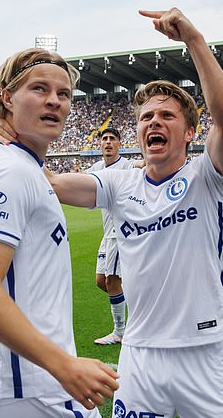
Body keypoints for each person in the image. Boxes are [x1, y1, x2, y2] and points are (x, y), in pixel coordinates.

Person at [0, 7, 223, 417]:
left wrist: (194, 41)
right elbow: (50, 183)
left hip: (205, 352)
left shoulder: (207, 176)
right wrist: (11, 134)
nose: (153, 122)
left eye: (166, 115)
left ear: (190, 132)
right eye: (146, 117)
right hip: (140, 355)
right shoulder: (120, 183)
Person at [0, 47, 119, 418]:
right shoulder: (10, 170)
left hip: (15, 385)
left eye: (64, 94)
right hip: (23, 392)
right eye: (40, 89)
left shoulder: (15, 164)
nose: (55, 101)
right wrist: (64, 365)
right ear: (7, 97)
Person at [86, 127, 143, 345]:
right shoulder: (97, 168)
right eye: (104, 139)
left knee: (112, 281)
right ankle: (140, 307)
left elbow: (141, 165)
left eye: (112, 139)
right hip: (106, 234)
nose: (108, 142)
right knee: (102, 281)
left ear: (119, 143)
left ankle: (120, 332)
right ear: (99, 144)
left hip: (121, 232)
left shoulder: (126, 166)